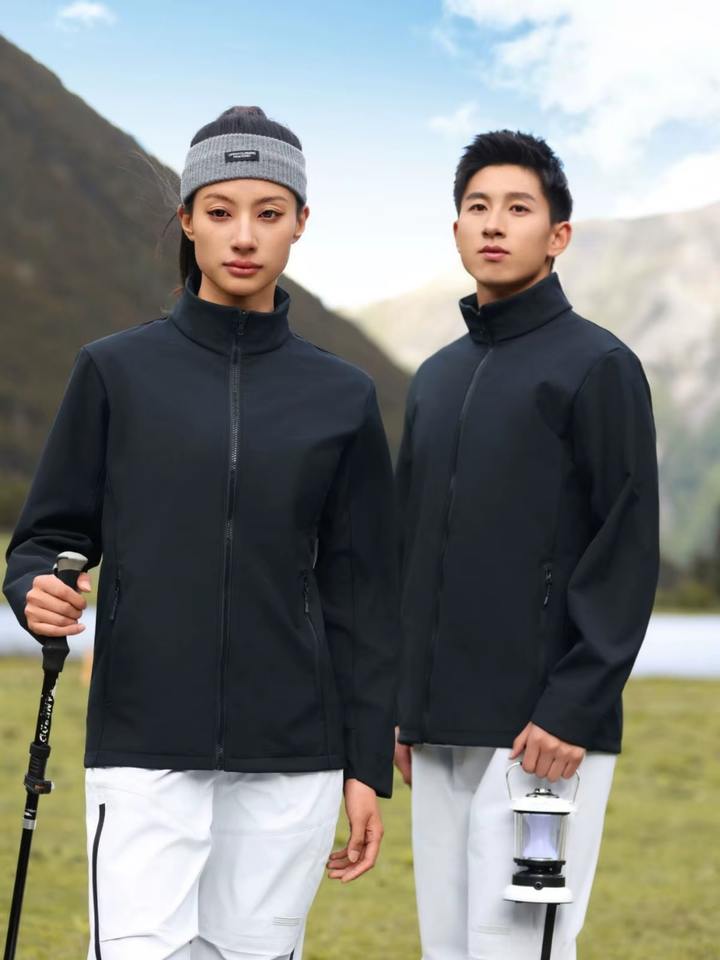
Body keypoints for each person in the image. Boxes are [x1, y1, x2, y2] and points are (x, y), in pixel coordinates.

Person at [3, 106, 399, 960]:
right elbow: (44, 539)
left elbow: (363, 595)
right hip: (143, 746)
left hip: (293, 757)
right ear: (187, 220)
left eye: (269, 212)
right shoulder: (115, 371)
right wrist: (34, 589)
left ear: (301, 221)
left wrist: (366, 761)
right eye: (220, 211)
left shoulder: (343, 397)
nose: (244, 236)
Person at [393, 130, 659, 960]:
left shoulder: (599, 366)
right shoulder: (436, 378)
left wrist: (573, 705)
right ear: (456, 229)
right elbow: (410, 551)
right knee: (448, 947)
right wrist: (402, 706)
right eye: (477, 207)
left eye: (518, 207)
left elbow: (626, 545)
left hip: (543, 736)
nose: (494, 223)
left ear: (558, 235)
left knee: (517, 947)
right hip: (438, 729)